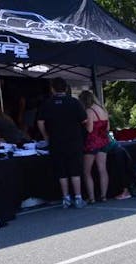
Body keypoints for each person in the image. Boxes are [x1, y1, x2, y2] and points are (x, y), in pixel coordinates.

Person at [37, 78, 87, 209]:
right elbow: (84, 121)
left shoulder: (47, 104)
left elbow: (40, 122)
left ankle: (66, 198)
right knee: (75, 170)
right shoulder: (74, 102)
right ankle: (78, 198)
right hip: (74, 141)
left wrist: (46, 136)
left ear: (52, 89)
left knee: (61, 171)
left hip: (56, 142)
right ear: (66, 88)